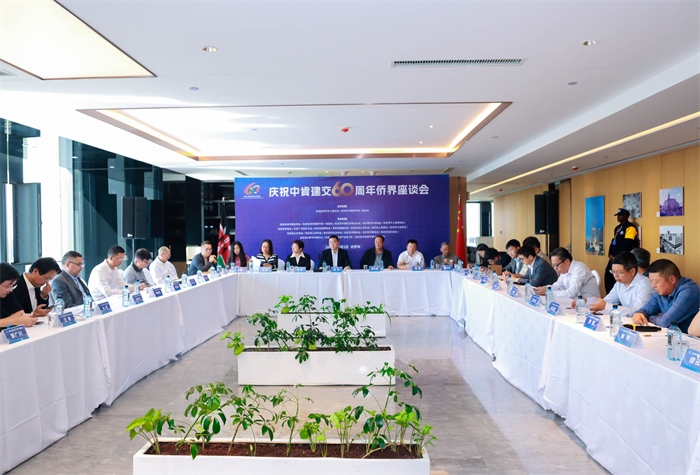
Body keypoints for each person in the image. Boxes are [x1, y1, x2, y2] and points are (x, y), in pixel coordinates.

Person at [575, 251, 653, 316]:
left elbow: (638, 311)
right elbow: (606, 301)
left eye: (619, 272)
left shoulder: (645, 285)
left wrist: (606, 306)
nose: (615, 276)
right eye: (613, 272)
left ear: (632, 271)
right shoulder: (620, 283)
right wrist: (586, 300)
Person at [632, 259, 700, 333]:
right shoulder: (662, 291)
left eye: (656, 282)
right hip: (671, 335)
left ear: (672, 280)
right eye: (651, 281)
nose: (653, 286)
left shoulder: (689, 291)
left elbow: (665, 322)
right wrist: (638, 314)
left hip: (688, 338)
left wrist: (648, 318)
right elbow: (644, 311)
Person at [535, 247, 600, 299]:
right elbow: (558, 286)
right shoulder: (565, 270)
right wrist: (545, 289)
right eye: (553, 265)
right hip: (576, 302)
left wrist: (548, 292)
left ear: (567, 261)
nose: (555, 269)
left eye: (556, 265)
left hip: (590, 304)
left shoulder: (579, 269)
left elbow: (571, 293)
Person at [605, 208, 639, 293]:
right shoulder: (618, 227)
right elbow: (613, 242)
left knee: (619, 279)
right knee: (608, 278)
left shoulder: (630, 228)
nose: (618, 217)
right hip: (613, 258)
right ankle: (609, 297)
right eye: (618, 216)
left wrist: (618, 257)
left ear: (626, 216)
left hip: (622, 259)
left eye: (620, 215)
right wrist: (610, 253)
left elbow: (628, 244)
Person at [0, 263, 39, 327]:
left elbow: (20, 313)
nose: (11, 289)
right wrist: (15, 321)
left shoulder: (7, 293)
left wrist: (5, 322)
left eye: (13, 286)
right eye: (7, 286)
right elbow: (18, 318)